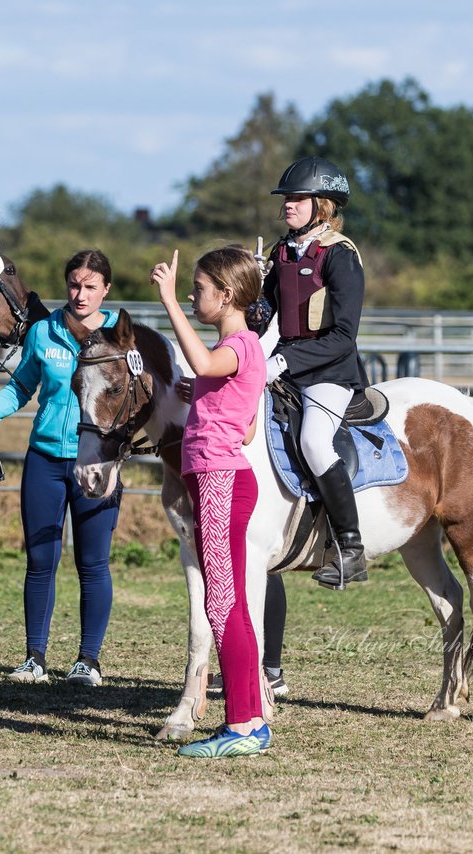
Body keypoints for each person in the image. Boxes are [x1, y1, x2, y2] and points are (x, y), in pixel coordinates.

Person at [0, 250, 121, 687]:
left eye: (91, 287)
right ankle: (34, 658)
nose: (81, 295)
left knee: (93, 563)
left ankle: (88, 661)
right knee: (41, 561)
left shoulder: (121, 335)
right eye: (75, 285)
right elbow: (21, 386)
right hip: (44, 459)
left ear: (106, 290)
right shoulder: (44, 330)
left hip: (96, 463)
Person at [152, 245, 268, 758]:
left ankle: (242, 726)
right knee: (231, 604)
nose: (194, 296)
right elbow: (243, 428)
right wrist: (201, 389)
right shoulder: (241, 351)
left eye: (199, 290)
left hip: (221, 481)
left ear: (225, 295)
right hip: (221, 476)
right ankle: (250, 722)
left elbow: (203, 359)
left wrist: (169, 301)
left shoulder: (239, 345)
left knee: (222, 604)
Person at [261, 155, 369, 590]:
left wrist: (284, 361)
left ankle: (350, 547)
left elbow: (343, 336)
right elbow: (270, 316)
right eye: (287, 198)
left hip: (330, 372)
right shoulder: (281, 252)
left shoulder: (341, 257)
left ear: (321, 205)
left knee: (313, 441)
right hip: (281, 365)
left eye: (298, 198)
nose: (288, 204)